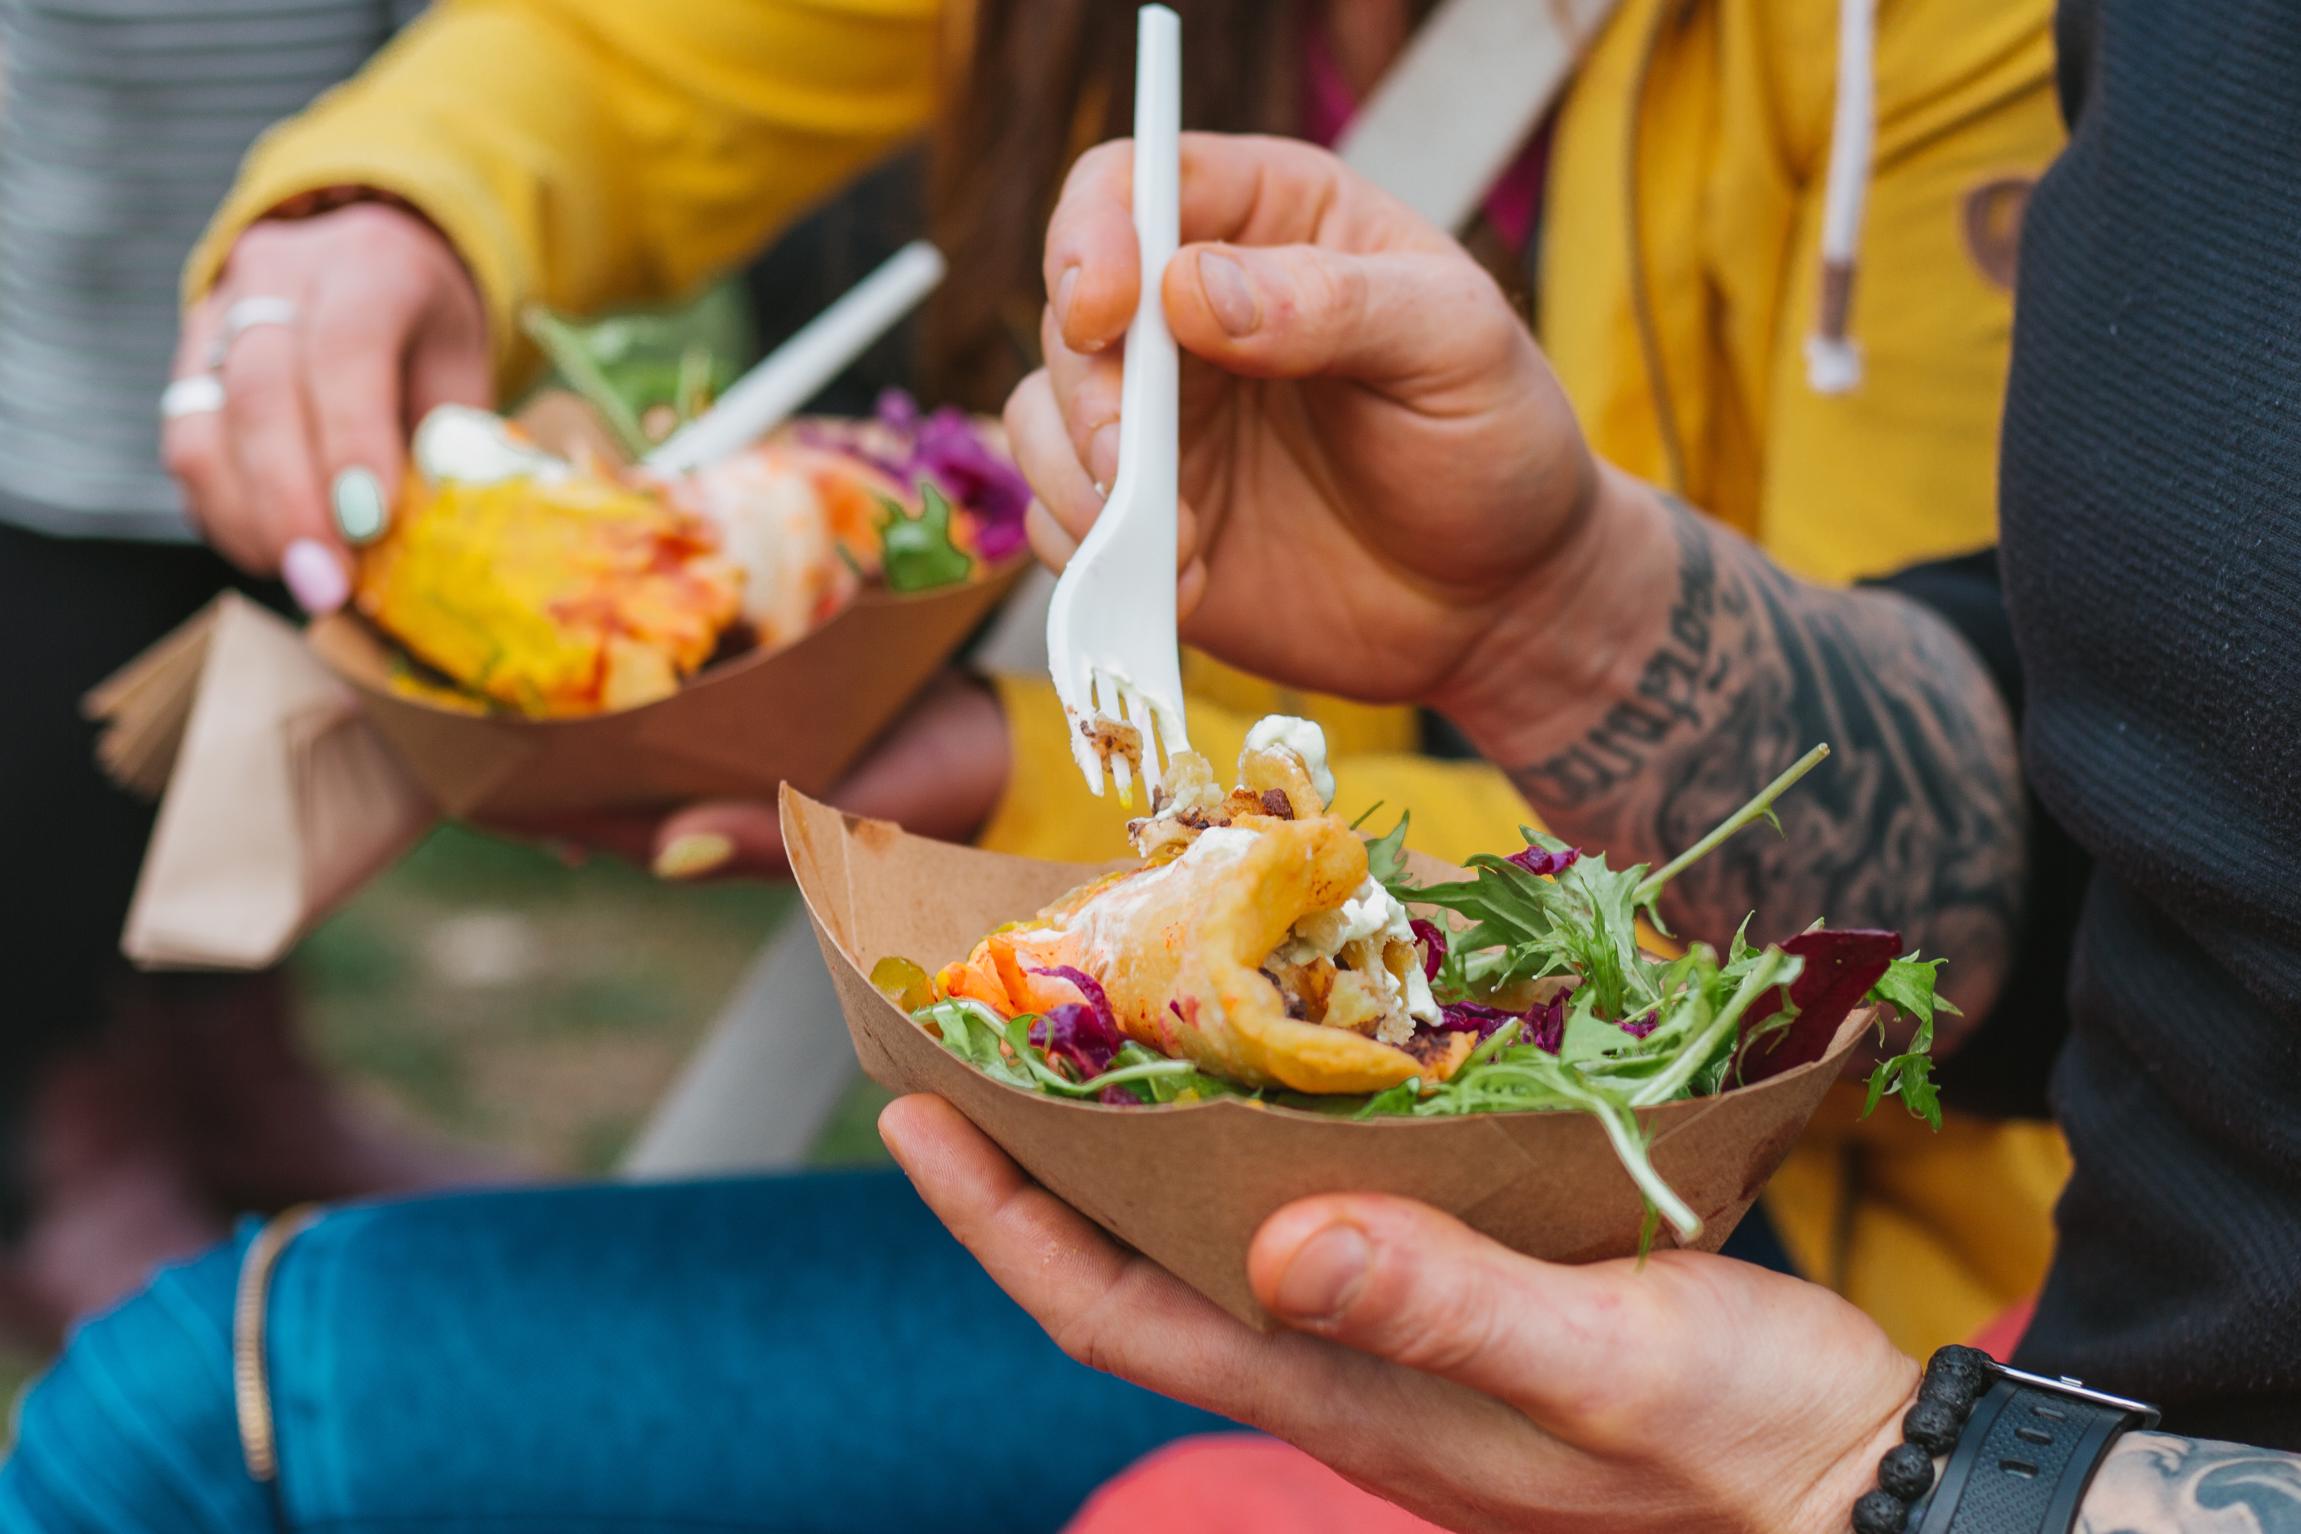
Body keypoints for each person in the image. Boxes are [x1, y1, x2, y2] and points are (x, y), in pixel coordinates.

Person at [168, 0, 2066, 1353]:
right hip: (1142, 1176)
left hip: (1767, 1260)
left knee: (229, 1397)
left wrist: (1025, 794)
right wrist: (385, 217)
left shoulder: (1957, 41)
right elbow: (619, 60)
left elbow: (1893, 914)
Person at [0, 0, 499, 1346]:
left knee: (273, 645)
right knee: (73, 665)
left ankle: (229, 1077)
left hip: (332, 120)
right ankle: (56, 1155)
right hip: (99, 184)